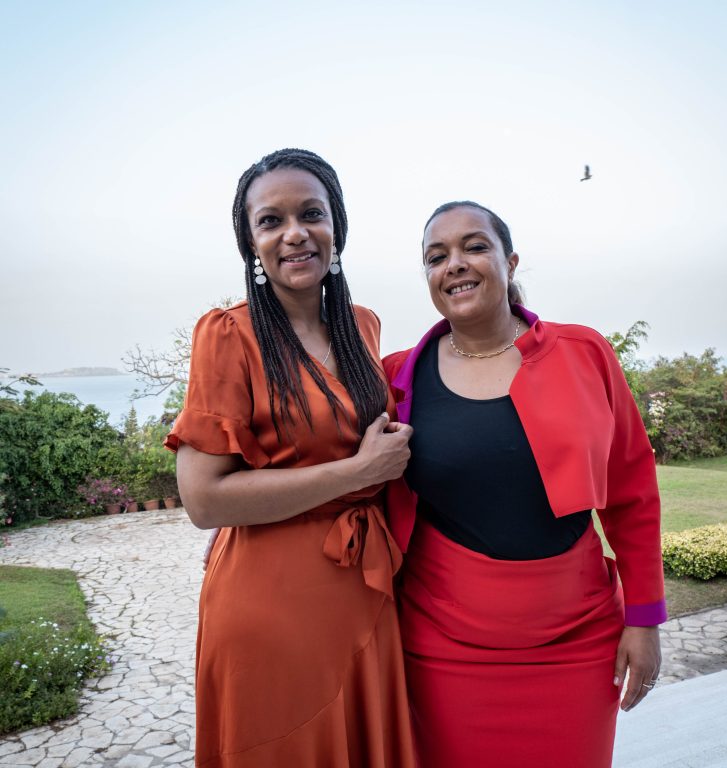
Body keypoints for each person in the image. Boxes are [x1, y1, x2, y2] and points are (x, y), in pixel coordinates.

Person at [382, 201, 666, 768]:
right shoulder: (396, 377)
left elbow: (632, 492)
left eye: (475, 247)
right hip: (443, 646)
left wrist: (644, 620)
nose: (454, 264)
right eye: (436, 257)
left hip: (578, 639)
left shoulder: (585, 353)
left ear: (509, 262)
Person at [165, 149, 416, 767]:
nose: (295, 233)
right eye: (271, 221)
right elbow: (203, 500)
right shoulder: (228, 334)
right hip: (271, 599)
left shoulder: (362, 325)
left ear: (337, 225)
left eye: (311, 213)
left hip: (363, 585)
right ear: (250, 243)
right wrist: (358, 472)